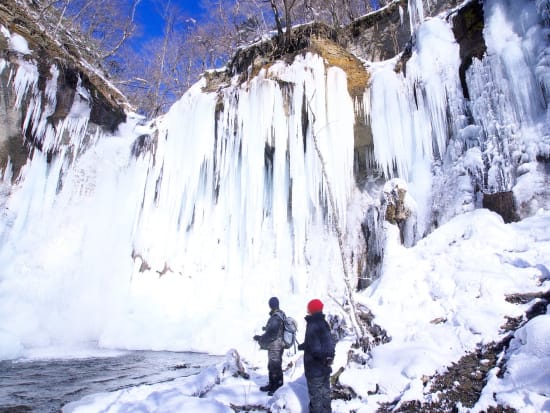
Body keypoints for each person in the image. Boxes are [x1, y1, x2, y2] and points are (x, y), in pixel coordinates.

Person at [298, 298, 335, 413]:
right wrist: (304, 346)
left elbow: (315, 348)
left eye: (308, 308)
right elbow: (324, 343)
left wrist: (318, 357)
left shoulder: (312, 324)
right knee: (325, 397)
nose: (307, 310)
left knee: (316, 400)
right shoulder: (323, 323)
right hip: (325, 368)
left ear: (312, 309)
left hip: (315, 369)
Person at [253, 296, 285, 395]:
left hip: (276, 345)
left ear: (270, 305)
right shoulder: (280, 315)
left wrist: (260, 338)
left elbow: (272, 334)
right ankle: (272, 385)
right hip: (278, 344)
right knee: (272, 365)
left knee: (275, 366)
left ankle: (277, 388)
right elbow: (274, 330)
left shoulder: (275, 317)